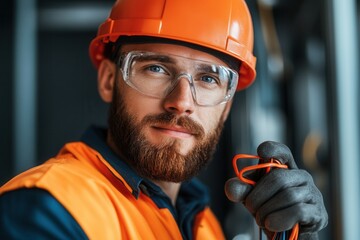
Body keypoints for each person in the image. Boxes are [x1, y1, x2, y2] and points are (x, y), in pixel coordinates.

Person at [0, 0, 328, 239]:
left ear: (226, 107)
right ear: (108, 80)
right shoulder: (43, 210)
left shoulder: (200, 222)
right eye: (156, 68)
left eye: (209, 79)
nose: (181, 102)